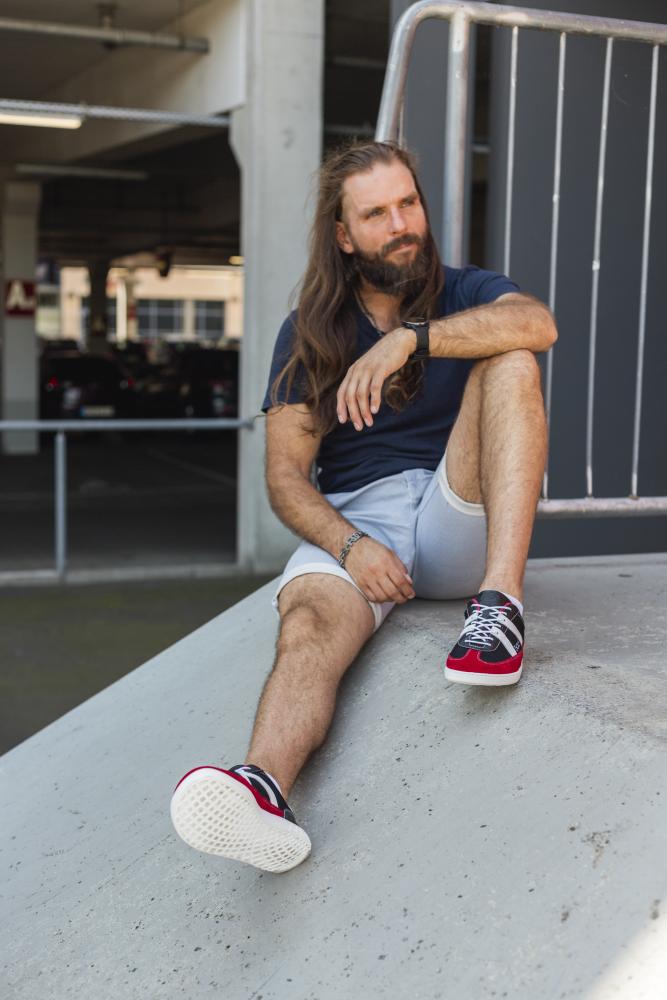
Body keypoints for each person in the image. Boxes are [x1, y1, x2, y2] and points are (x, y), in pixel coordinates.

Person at [170, 141, 557, 874]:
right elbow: (286, 476)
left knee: (511, 355)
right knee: (309, 620)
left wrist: (412, 341)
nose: (400, 223)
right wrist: (349, 547)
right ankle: (261, 790)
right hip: (361, 520)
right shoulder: (310, 331)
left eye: (407, 203)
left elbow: (537, 322)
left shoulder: (468, 290)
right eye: (376, 214)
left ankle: (499, 607)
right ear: (344, 236)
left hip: (456, 509)